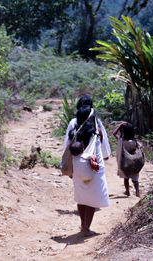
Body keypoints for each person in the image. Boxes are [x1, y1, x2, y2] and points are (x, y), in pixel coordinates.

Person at [62, 95, 111, 236]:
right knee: (92, 196)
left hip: (77, 164)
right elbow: (103, 144)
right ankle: (86, 228)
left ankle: (83, 225)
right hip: (94, 164)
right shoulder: (96, 123)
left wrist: (69, 166)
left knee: (81, 195)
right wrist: (105, 154)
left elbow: (67, 145)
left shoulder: (73, 123)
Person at [113, 122, 141, 197]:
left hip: (126, 163)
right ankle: (137, 191)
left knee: (126, 178)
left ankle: (127, 191)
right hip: (134, 162)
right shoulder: (135, 141)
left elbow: (114, 133)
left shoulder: (121, 141)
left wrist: (120, 126)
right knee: (135, 177)